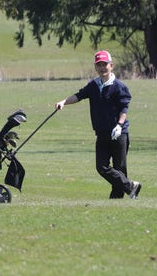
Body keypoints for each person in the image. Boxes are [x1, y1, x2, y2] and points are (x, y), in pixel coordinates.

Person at [55, 50, 141, 199]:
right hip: (101, 133)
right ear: (96, 67)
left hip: (119, 133)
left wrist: (119, 125)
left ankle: (117, 199)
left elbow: (124, 109)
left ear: (111, 66)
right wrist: (64, 102)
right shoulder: (94, 85)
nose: (102, 68)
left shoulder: (119, 86)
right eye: (99, 65)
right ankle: (131, 187)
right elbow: (79, 95)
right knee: (101, 167)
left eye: (105, 64)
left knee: (119, 168)